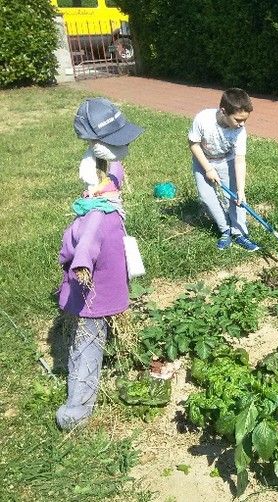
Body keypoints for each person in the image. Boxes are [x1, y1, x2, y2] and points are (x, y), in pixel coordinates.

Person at [57, 97, 144, 431]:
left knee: (98, 329)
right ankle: (76, 411)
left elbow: (115, 174)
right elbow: (86, 246)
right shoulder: (95, 213)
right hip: (94, 288)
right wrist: (82, 267)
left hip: (109, 276)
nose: (123, 150)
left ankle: (115, 350)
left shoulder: (108, 182)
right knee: (87, 340)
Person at [189, 88, 260, 252]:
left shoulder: (240, 131)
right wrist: (208, 168)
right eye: (237, 119)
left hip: (226, 160)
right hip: (203, 161)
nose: (241, 124)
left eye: (245, 120)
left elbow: (240, 159)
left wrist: (241, 190)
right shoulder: (203, 119)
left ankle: (239, 233)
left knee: (235, 198)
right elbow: (193, 144)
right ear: (223, 111)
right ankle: (225, 230)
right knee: (207, 197)